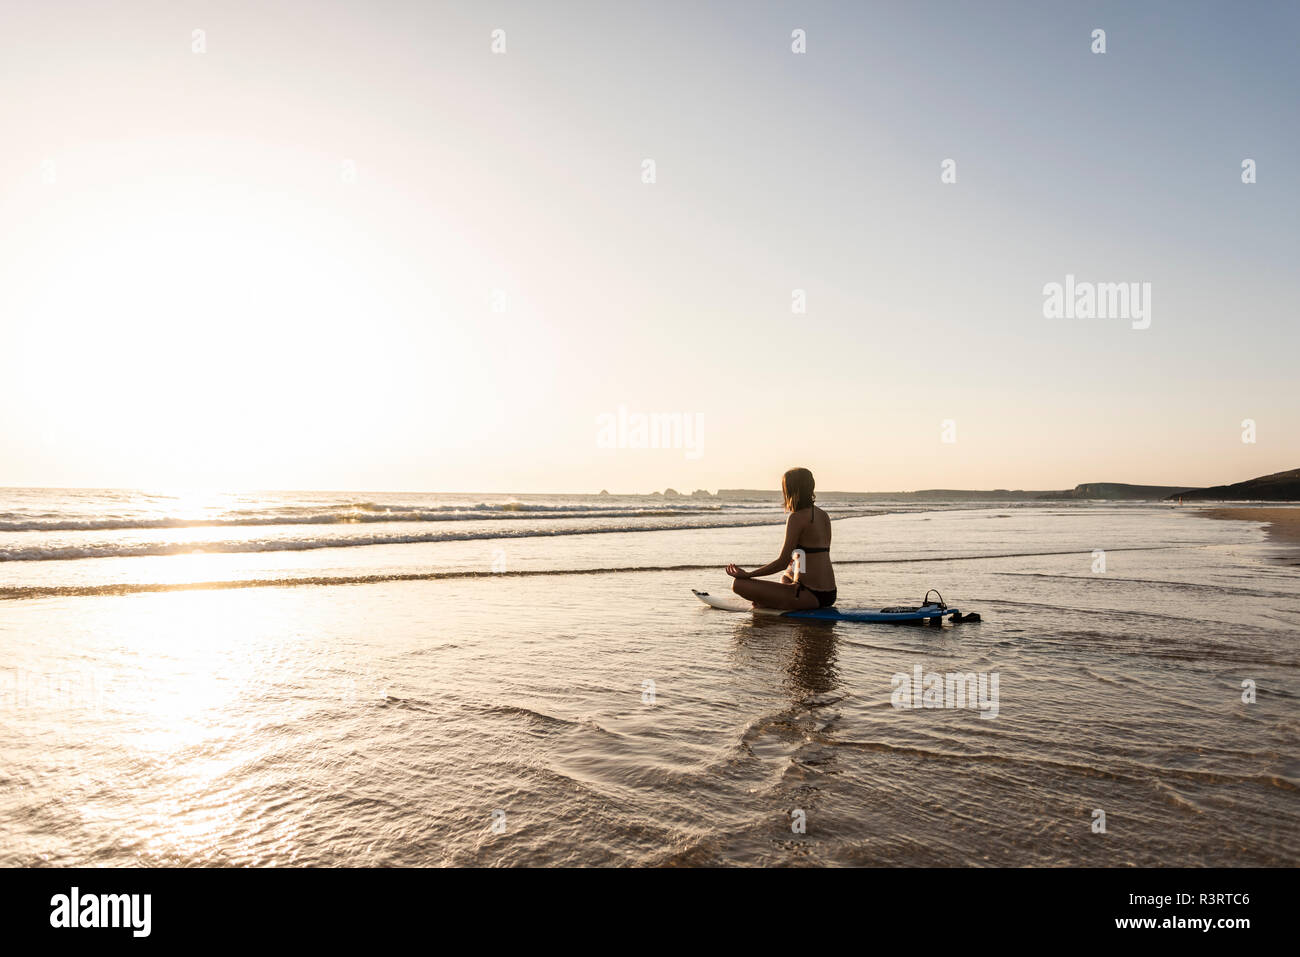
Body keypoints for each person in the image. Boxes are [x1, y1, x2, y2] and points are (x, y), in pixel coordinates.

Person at [726, 467, 836, 610]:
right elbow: (815, 554)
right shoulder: (823, 515)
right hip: (829, 594)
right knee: (786, 576)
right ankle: (773, 600)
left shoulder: (796, 518)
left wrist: (748, 574)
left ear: (790, 490)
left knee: (739, 584)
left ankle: (773, 602)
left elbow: (781, 563)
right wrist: (794, 562)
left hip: (808, 595)